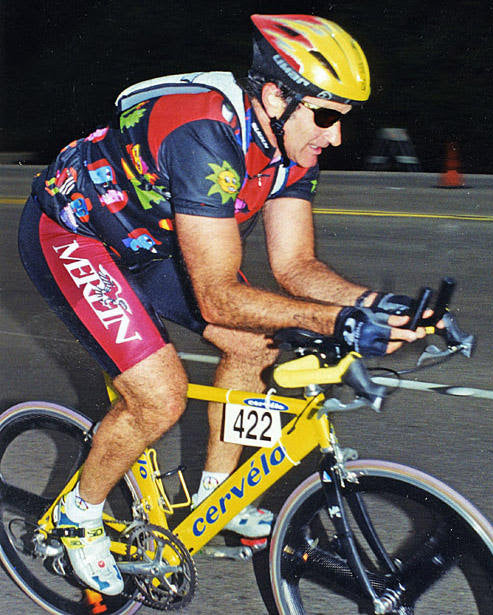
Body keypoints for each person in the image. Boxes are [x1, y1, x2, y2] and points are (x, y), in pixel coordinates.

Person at [18, 14, 429, 595]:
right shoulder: (203, 133)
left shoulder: (289, 144)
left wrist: (382, 305)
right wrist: (335, 320)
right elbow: (216, 297)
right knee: (160, 397)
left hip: (155, 241)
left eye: (344, 120)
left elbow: (295, 266)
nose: (335, 136)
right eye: (328, 115)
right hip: (75, 236)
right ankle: (75, 518)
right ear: (273, 96)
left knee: (254, 342)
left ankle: (218, 496)